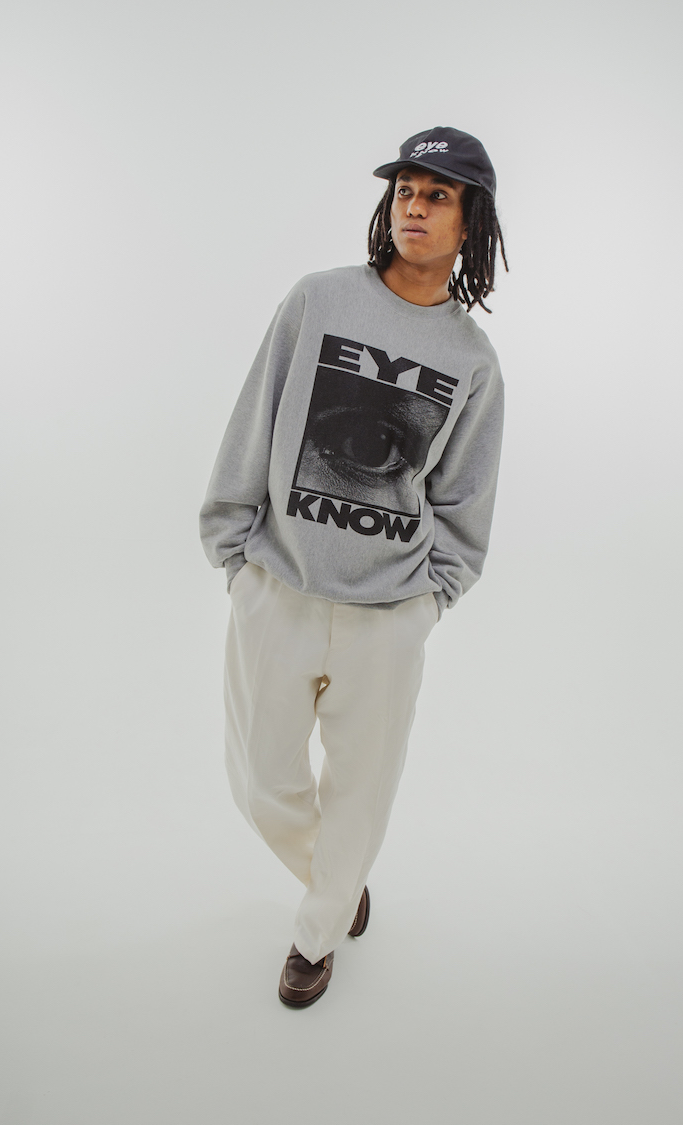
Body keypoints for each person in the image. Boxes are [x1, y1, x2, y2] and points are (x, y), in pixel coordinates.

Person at [199, 126, 508, 1008]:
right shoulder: (318, 300)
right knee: (261, 782)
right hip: (279, 586)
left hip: (388, 614)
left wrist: (429, 600)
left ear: (471, 222)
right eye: (405, 189)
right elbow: (255, 421)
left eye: (437, 195)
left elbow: (464, 496)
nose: (414, 206)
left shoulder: (473, 362)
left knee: (361, 793)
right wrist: (235, 554)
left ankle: (319, 929)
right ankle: (338, 880)